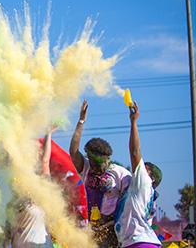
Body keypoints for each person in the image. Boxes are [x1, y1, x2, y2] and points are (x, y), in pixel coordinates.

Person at [69, 100, 131, 247]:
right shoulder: (86, 167)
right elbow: (73, 151)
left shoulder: (121, 174)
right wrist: (81, 121)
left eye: (100, 165)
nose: (96, 169)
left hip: (113, 232)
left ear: (107, 158)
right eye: (94, 165)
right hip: (90, 230)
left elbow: (130, 202)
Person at [114, 103, 162, 248]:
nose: (138, 169)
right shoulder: (145, 195)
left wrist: (133, 122)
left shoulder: (144, 183)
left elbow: (135, 152)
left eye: (143, 168)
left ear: (151, 177)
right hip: (142, 243)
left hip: (140, 244)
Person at [6, 127, 56, 248]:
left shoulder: (40, 184)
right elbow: (10, 160)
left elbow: (45, 161)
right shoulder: (12, 187)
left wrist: (48, 133)